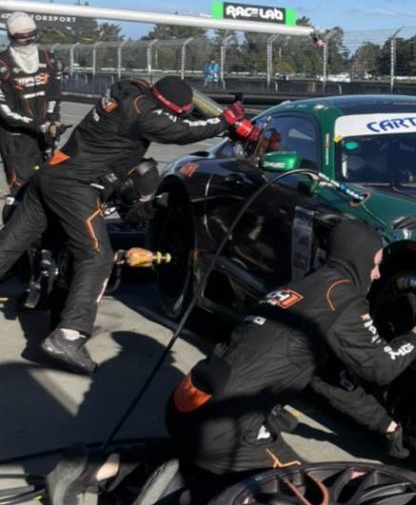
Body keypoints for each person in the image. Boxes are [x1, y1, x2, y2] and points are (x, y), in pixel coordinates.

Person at [43, 220, 416, 505]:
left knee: (198, 455)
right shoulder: (342, 299)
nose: (376, 275)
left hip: (187, 407)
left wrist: (384, 425)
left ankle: (92, 467)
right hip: (229, 428)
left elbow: (326, 382)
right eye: (375, 265)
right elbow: (382, 367)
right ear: (359, 259)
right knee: (316, 500)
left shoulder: (302, 290)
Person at [0, 76, 258, 375]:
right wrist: (224, 121)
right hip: (75, 185)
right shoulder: (143, 115)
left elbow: (170, 117)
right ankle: (68, 336)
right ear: (166, 107)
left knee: (9, 246)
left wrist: (153, 203)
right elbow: (182, 131)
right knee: (96, 258)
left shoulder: (130, 92)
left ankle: (64, 320)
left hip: (50, 176)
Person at [0, 12, 63, 191]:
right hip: (16, 140)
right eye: (22, 37)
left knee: (50, 187)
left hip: (46, 135)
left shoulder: (49, 59)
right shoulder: (2, 64)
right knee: (22, 190)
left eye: (31, 35)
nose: (28, 40)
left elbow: (54, 95)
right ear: (12, 36)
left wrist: (52, 119)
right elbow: (6, 112)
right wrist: (38, 125)